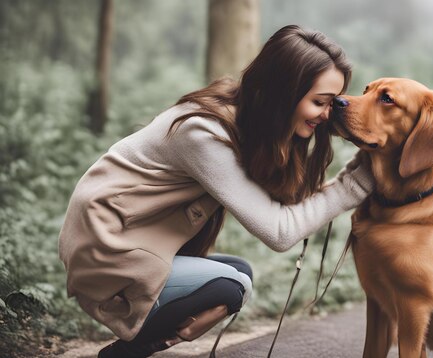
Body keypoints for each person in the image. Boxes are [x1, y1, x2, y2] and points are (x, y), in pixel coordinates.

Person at [57, 25, 374, 358]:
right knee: (231, 286)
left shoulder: (247, 123)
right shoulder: (203, 133)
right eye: (319, 102)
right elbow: (280, 231)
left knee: (239, 273)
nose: (327, 115)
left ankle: (133, 349)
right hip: (106, 248)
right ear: (284, 94)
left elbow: (284, 207)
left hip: (128, 241)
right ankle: (125, 353)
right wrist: (354, 185)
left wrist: (355, 163)